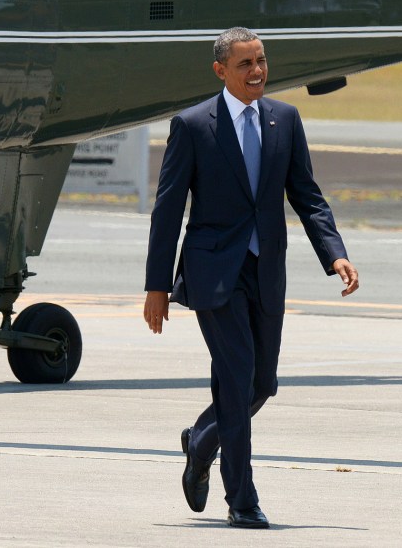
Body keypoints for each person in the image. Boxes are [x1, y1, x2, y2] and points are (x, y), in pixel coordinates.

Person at [143, 27, 360, 529]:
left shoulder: (285, 119)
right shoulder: (193, 125)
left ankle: (200, 443)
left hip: (266, 270)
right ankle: (242, 500)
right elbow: (168, 210)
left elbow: (307, 195)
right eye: (245, 64)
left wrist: (335, 254)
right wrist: (157, 286)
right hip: (213, 272)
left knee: (261, 384)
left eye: (261, 60)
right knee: (237, 379)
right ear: (221, 71)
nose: (257, 71)